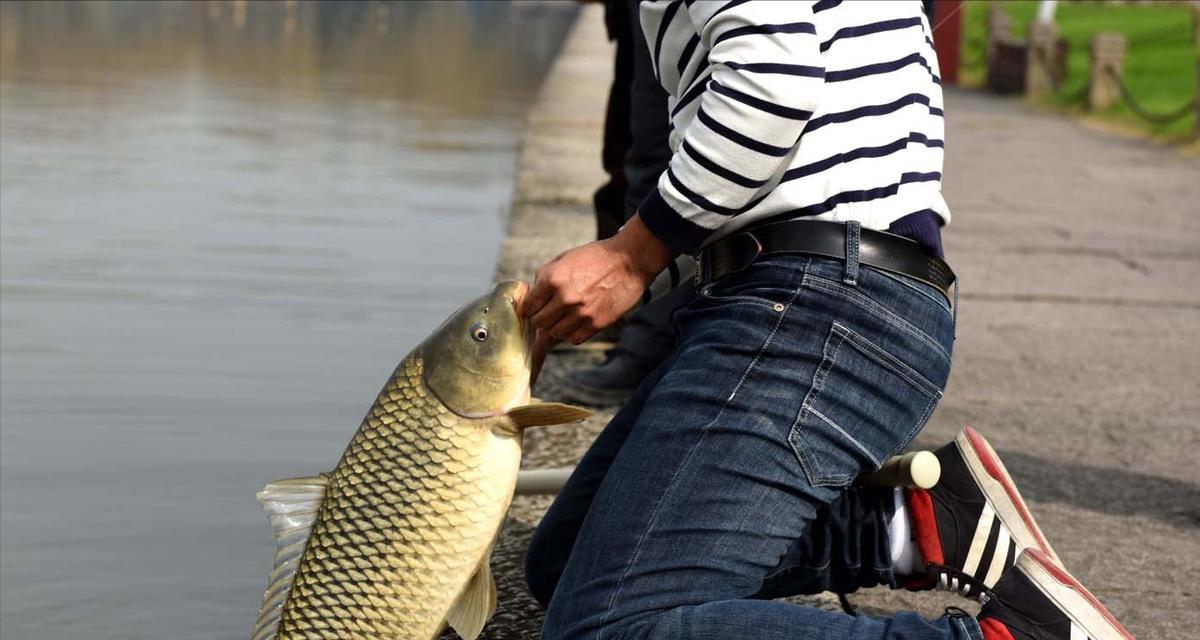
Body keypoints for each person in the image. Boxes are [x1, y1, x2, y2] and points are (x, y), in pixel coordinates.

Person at [521, 2, 1131, 640]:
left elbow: (770, 85)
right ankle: (909, 525)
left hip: (815, 307)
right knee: (568, 567)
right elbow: (757, 178)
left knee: (607, 626)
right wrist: (598, 283)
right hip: (840, 292)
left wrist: (628, 256)